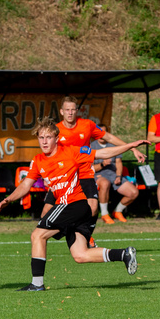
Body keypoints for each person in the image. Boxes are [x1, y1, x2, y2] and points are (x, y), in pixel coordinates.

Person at [0, 117, 149, 291]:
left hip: (73, 204)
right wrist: (8, 199)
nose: (44, 141)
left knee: (37, 235)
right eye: (41, 138)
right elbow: (25, 185)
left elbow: (103, 154)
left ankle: (36, 284)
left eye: (48, 137)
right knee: (80, 255)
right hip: (74, 209)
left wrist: (131, 146)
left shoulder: (71, 151)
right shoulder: (38, 160)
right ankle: (123, 254)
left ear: (56, 138)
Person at [39, 96, 147, 237]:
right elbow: (48, 154)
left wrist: (132, 148)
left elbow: (109, 137)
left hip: (84, 173)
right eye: (67, 110)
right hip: (64, 176)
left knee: (93, 208)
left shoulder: (87, 125)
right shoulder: (56, 131)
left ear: (77, 111)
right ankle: (39, 241)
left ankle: (85, 237)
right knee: (46, 212)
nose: (70, 113)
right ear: (61, 111)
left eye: (73, 110)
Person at [91, 124, 140, 223]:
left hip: (113, 174)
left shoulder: (113, 146)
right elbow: (90, 168)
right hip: (98, 174)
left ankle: (117, 211)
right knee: (105, 183)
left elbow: (118, 163)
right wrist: (102, 164)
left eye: (103, 133)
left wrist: (118, 176)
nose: (101, 136)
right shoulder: (91, 146)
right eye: (98, 133)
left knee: (133, 192)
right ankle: (104, 214)